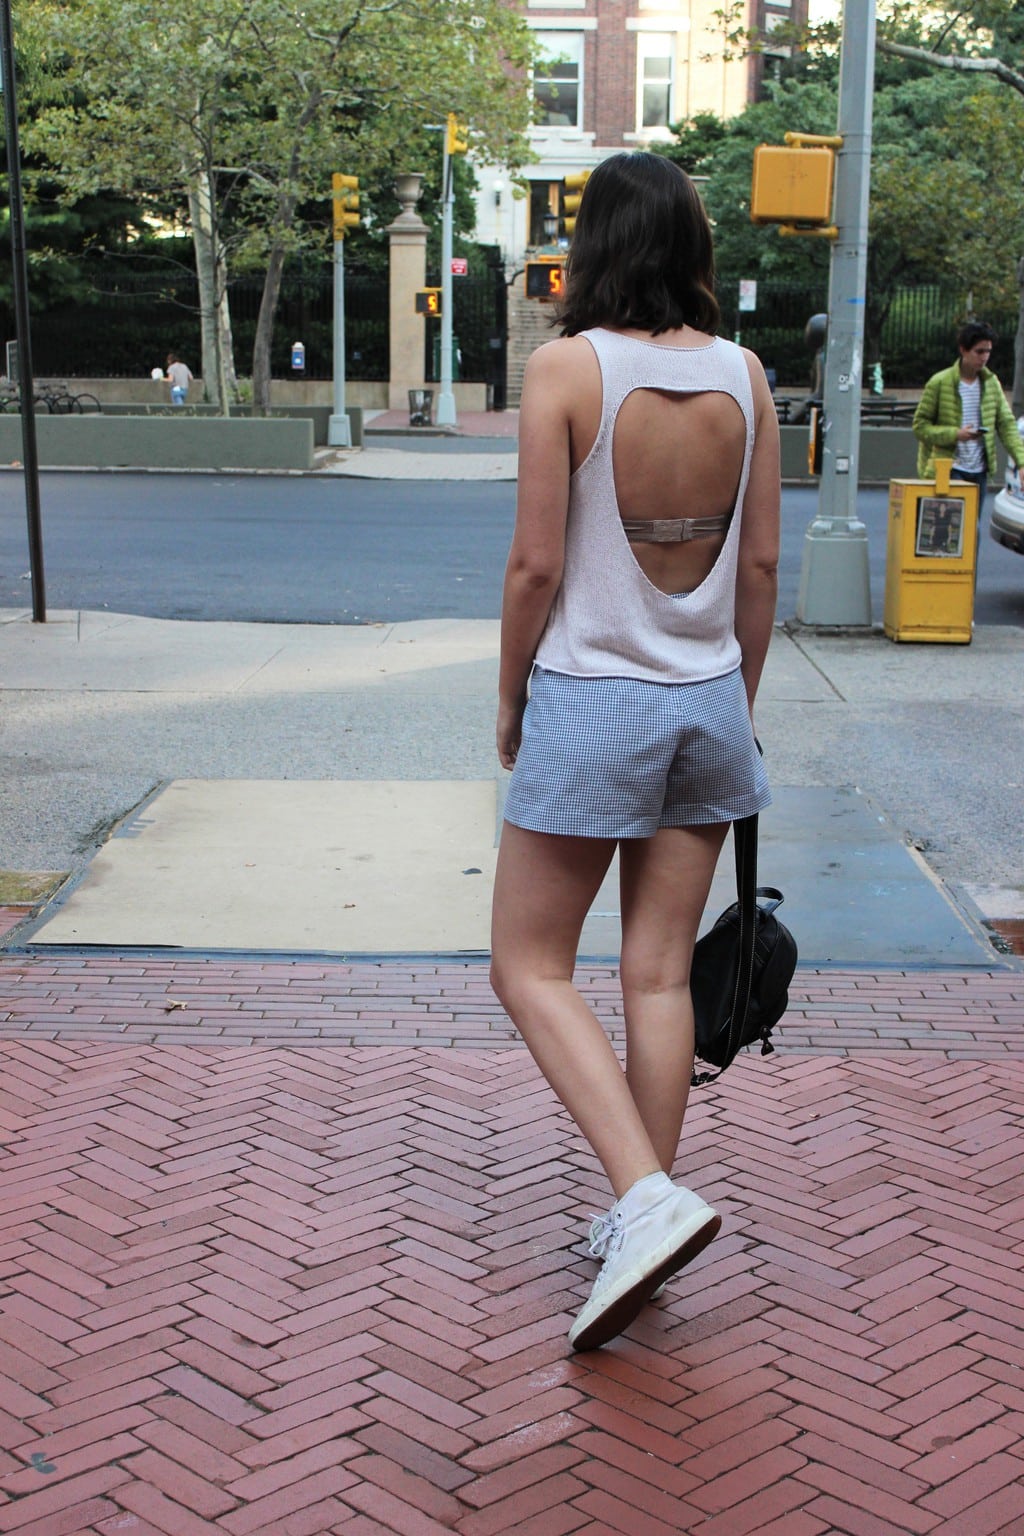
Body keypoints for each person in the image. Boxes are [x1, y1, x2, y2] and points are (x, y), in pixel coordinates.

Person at [489, 152, 780, 1352]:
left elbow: (536, 570)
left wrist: (509, 703)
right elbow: (759, 569)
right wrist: (735, 704)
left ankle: (646, 1202)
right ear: (692, 245)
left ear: (597, 244)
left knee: (527, 965)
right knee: (656, 975)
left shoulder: (566, 368)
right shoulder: (748, 375)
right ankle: (640, 1215)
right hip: (708, 704)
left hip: (594, 698)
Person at [913, 321, 1024, 521]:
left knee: (972, 530)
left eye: (988, 352)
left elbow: (1007, 425)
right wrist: (956, 434)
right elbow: (920, 427)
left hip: (979, 470)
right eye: (979, 351)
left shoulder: (990, 384)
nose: (984, 358)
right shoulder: (940, 383)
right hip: (949, 467)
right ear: (963, 350)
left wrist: (1021, 461)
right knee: (951, 529)